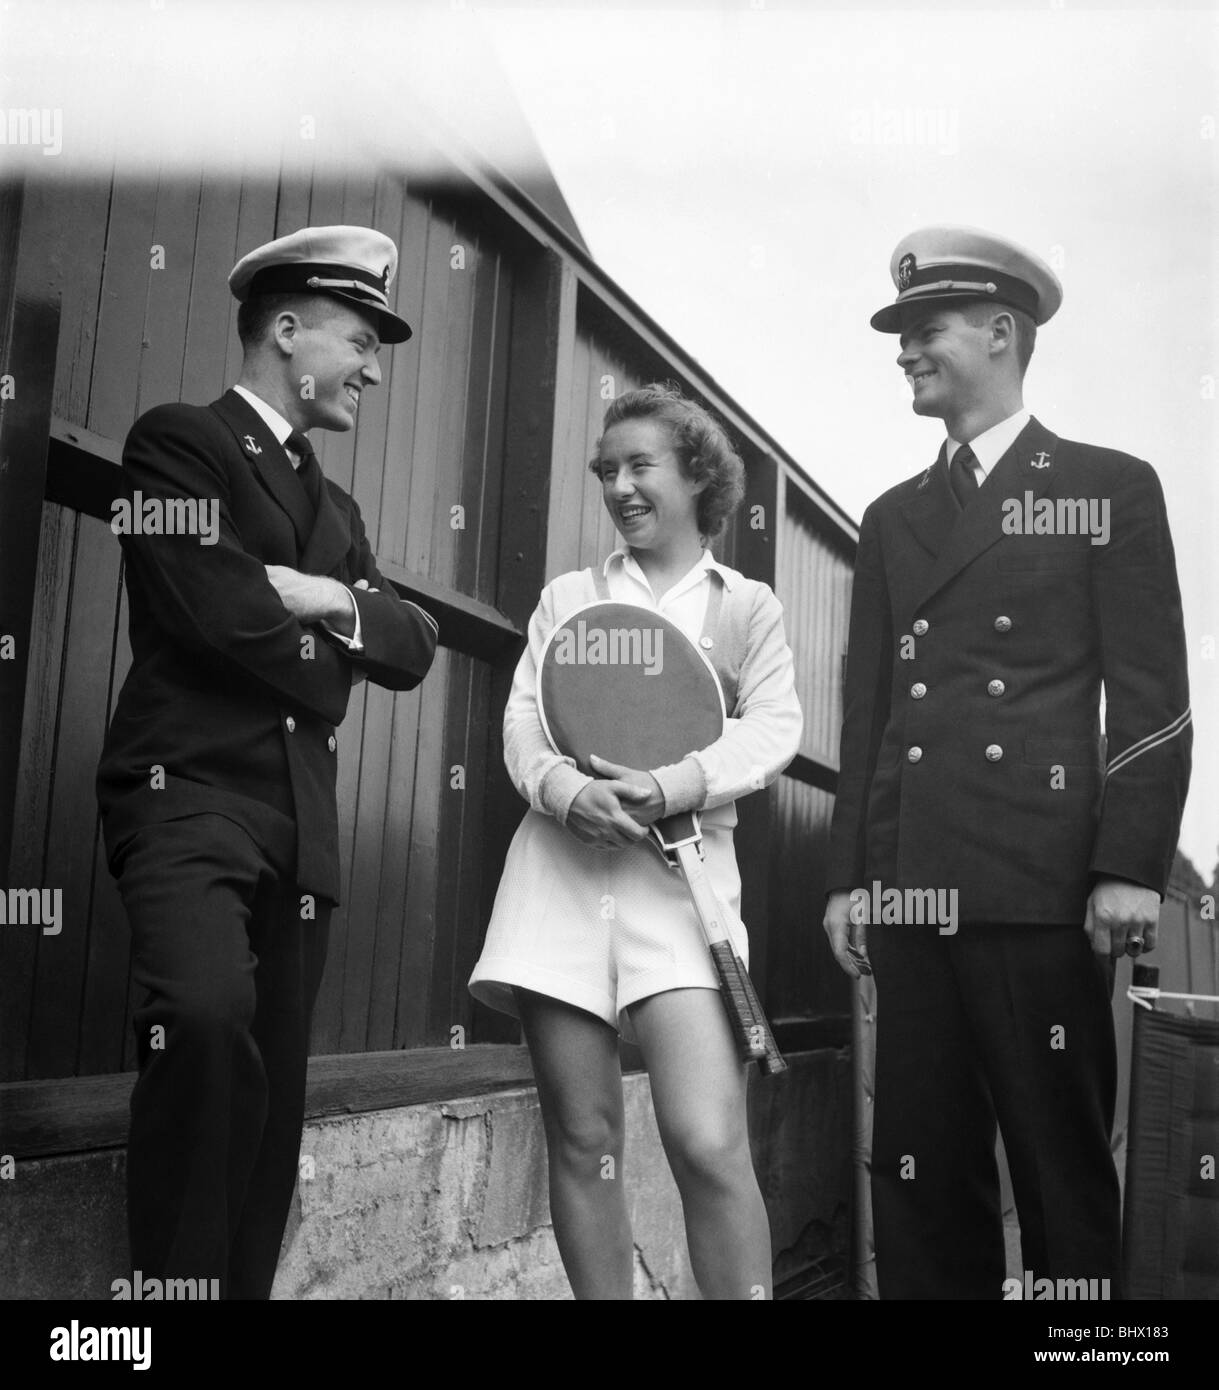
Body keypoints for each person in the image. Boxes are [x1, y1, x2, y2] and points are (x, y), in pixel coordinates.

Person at [822, 226, 1192, 1299]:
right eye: (899, 334)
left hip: (1040, 889)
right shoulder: (892, 518)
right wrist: (852, 875)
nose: (904, 350)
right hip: (913, 890)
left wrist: (1127, 860)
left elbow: (1152, 697)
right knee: (921, 1177)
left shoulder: (1105, 485)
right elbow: (871, 713)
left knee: (1058, 1171)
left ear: (1000, 332)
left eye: (924, 329)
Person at [96, 225, 439, 1299]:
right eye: (360, 340)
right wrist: (340, 640)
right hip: (187, 799)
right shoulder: (176, 444)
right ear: (287, 332)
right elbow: (218, 616)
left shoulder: (335, 513)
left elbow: (415, 645)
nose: (375, 370)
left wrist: (326, 597)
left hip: (300, 834)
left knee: (272, 1111)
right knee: (199, 1020)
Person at [470, 384, 802, 1299]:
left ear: (698, 475)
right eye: (606, 470)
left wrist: (671, 785)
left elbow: (772, 730)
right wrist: (567, 791)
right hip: (559, 880)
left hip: (681, 889)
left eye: (639, 465)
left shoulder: (747, 607)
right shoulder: (567, 598)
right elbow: (521, 729)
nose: (618, 486)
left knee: (706, 1138)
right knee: (584, 1139)